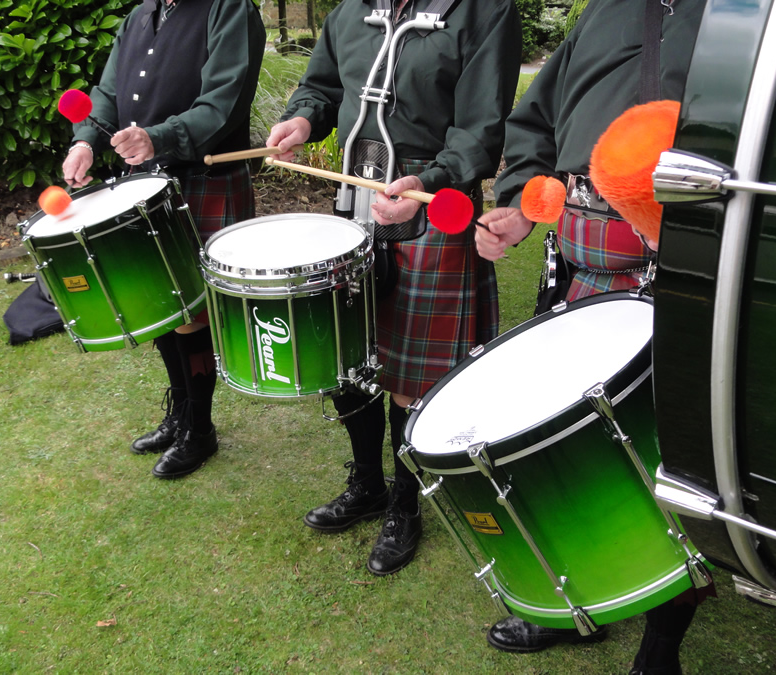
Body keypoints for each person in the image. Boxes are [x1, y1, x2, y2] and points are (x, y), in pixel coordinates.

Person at [475, 0, 713, 672]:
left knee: (674, 457)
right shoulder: (602, 14)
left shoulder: (741, 18)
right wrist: (521, 202)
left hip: (692, 260)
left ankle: (662, 641)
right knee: (574, 444)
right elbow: (534, 121)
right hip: (581, 257)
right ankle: (581, 604)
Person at [266, 0, 522, 576]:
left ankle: (405, 506)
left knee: (411, 376)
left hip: (432, 205)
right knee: (349, 355)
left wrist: (428, 180)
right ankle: (368, 484)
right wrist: (304, 118)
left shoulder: (484, 12)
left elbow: (481, 130)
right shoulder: (352, 10)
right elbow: (322, 86)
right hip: (353, 200)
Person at [62, 0, 265, 479]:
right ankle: (179, 412)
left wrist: (161, 137)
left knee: (191, 314)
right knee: (161, 304)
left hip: (204, 176)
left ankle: (200, 428)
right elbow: (108, 92)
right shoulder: (141, 15)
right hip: (145, 181)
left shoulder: (229, 8)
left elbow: (225, 99)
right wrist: (86, 139)